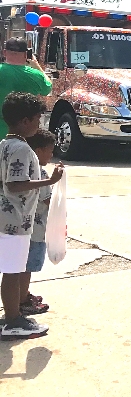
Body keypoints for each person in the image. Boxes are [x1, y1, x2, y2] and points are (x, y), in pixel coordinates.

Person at [0, 93, 63, 340]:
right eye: (38, 118)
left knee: (10, 270)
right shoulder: (22, 149)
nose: (39, 124)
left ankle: (13, 315)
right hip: (16, 220)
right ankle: (12, 320)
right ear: (25, 121)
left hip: (7, 217)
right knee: (13, 271)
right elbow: (15, 184)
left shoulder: (4, 144)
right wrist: (50, 180)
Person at [20, 130, 56, 317]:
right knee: (26, 268)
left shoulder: (26, 169)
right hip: (35, 231)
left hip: (23, 227)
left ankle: (23, 295)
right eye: (49, 151)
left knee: (21, 267)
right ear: (38, 150)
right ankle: (23, 301)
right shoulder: (39, 173)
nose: (51, 155)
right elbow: (49, 200)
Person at [0, 39, 52, 138]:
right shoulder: (36, 75)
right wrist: (37, 66)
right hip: (24, 133)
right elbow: (47, 88)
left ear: (5, 52)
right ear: (26, 55)